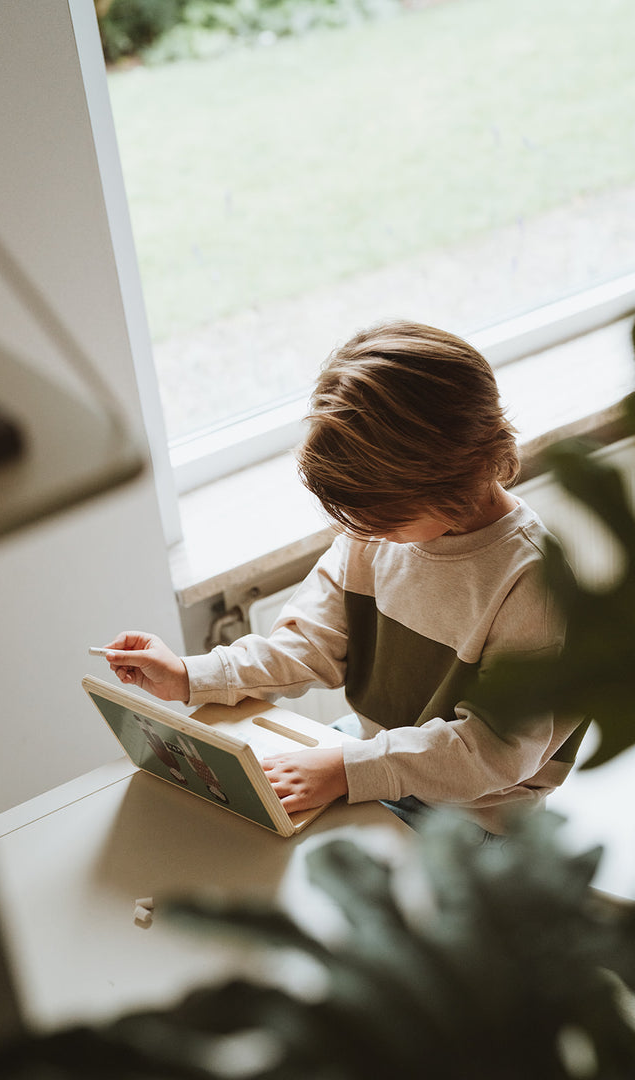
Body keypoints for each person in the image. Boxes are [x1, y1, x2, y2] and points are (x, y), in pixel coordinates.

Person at [103, 320, 586, 836]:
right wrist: (190, 674)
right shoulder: (374, 536)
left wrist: (346, 769)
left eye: (385, 513)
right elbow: (306, 645)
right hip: (373, 754)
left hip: (477, 816)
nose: (364, 529)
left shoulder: (535, 582)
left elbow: (491, 753)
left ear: (452, 474)